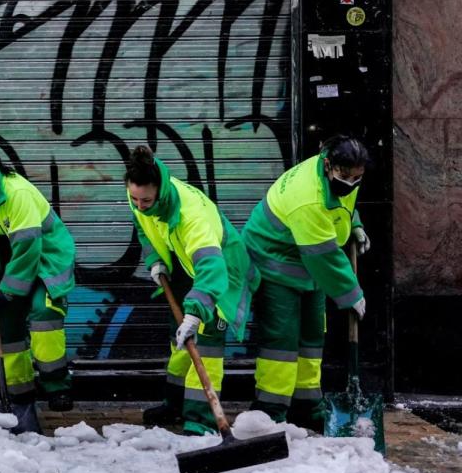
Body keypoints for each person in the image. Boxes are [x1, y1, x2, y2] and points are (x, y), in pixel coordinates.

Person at [125, 146, 259, 435]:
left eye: (146, 200)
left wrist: (196, 314)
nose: (139, 205)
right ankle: (175, 404)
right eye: (134, 198)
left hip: (223, 267)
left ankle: (202, 420)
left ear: (160, 192)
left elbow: (213, 269)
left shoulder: (191, 216)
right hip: (186, 264)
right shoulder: (139, 198)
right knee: (181, 338)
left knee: (207, 340)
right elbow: (142, 227)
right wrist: (154, 260)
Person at [242, 135, 370, 430]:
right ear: (328, 166)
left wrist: (356, 225)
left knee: (312, 335)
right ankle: (270, 409)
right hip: (274, 260)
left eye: (357, 178)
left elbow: (343, 204)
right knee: (282, 340)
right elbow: (323, 255)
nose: (351, 183)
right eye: (345, 176)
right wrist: (351, 294)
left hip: (307, 261)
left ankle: (306, 405)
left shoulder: (338, 174)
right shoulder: (307, 198)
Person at [0, 138, 76, 423]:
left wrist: (7, 291)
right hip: (7, 259)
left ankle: (57, 385)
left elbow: (28, 247)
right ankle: (19, 397)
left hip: (45, 256)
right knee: (8, 326)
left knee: (44, 313)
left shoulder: (16, 192)